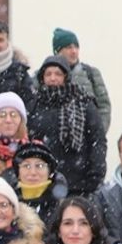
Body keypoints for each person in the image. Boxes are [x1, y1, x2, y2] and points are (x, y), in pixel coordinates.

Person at [24, 55, 106, 196]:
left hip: (79, 183)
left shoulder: (83, 102)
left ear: (66, 77)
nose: (53, 78)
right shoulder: (33, 106)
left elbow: (97, 139)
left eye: (58, 74)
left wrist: (96, 173)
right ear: (42, 78)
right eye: (48, 74)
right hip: (43, 184)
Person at [52, 28, 112, 132]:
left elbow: (104, 106)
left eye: (76, 47)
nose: (74, 51)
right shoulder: (45, 75)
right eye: (69, 47)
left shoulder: (91, 74)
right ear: (58, 51)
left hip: (88, 138)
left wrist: (98, 133)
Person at [4, 140, 67, 226]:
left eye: (39, 166)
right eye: (26, 166)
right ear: (18, 173)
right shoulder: (6, 204)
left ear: (49, 172)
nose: (33, 172)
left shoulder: (63, 208)